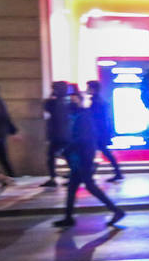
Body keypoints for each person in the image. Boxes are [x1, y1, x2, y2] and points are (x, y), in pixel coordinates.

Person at [53, 89, 125, 229]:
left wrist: (67, 149)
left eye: (73, 100)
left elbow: (83, 138)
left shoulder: (83, 117)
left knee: (89, 186)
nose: (70, 103)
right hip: (79, 157)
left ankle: (116, 210)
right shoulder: (78, 116)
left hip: (83, 157)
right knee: (73, 188)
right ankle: (68, 217)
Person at [86, 80, 124, 182]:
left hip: (98, 133)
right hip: (100, 132)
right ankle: (117, 173)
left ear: (93, 89)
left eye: (88, 87)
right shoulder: (98, 101)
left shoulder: (96, 102)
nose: (87, 89)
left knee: (93, 153)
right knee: (102, 153)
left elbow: (97, 119)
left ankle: (88, 175)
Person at [42, 81, 71, 187]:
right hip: (66, 133)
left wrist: (52, 94)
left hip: (57, 134)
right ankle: (73, 175)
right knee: (66, 155)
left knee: (51, 156)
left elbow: (46, 106)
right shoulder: (67, 102)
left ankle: (53, 178)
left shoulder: (54, 103)